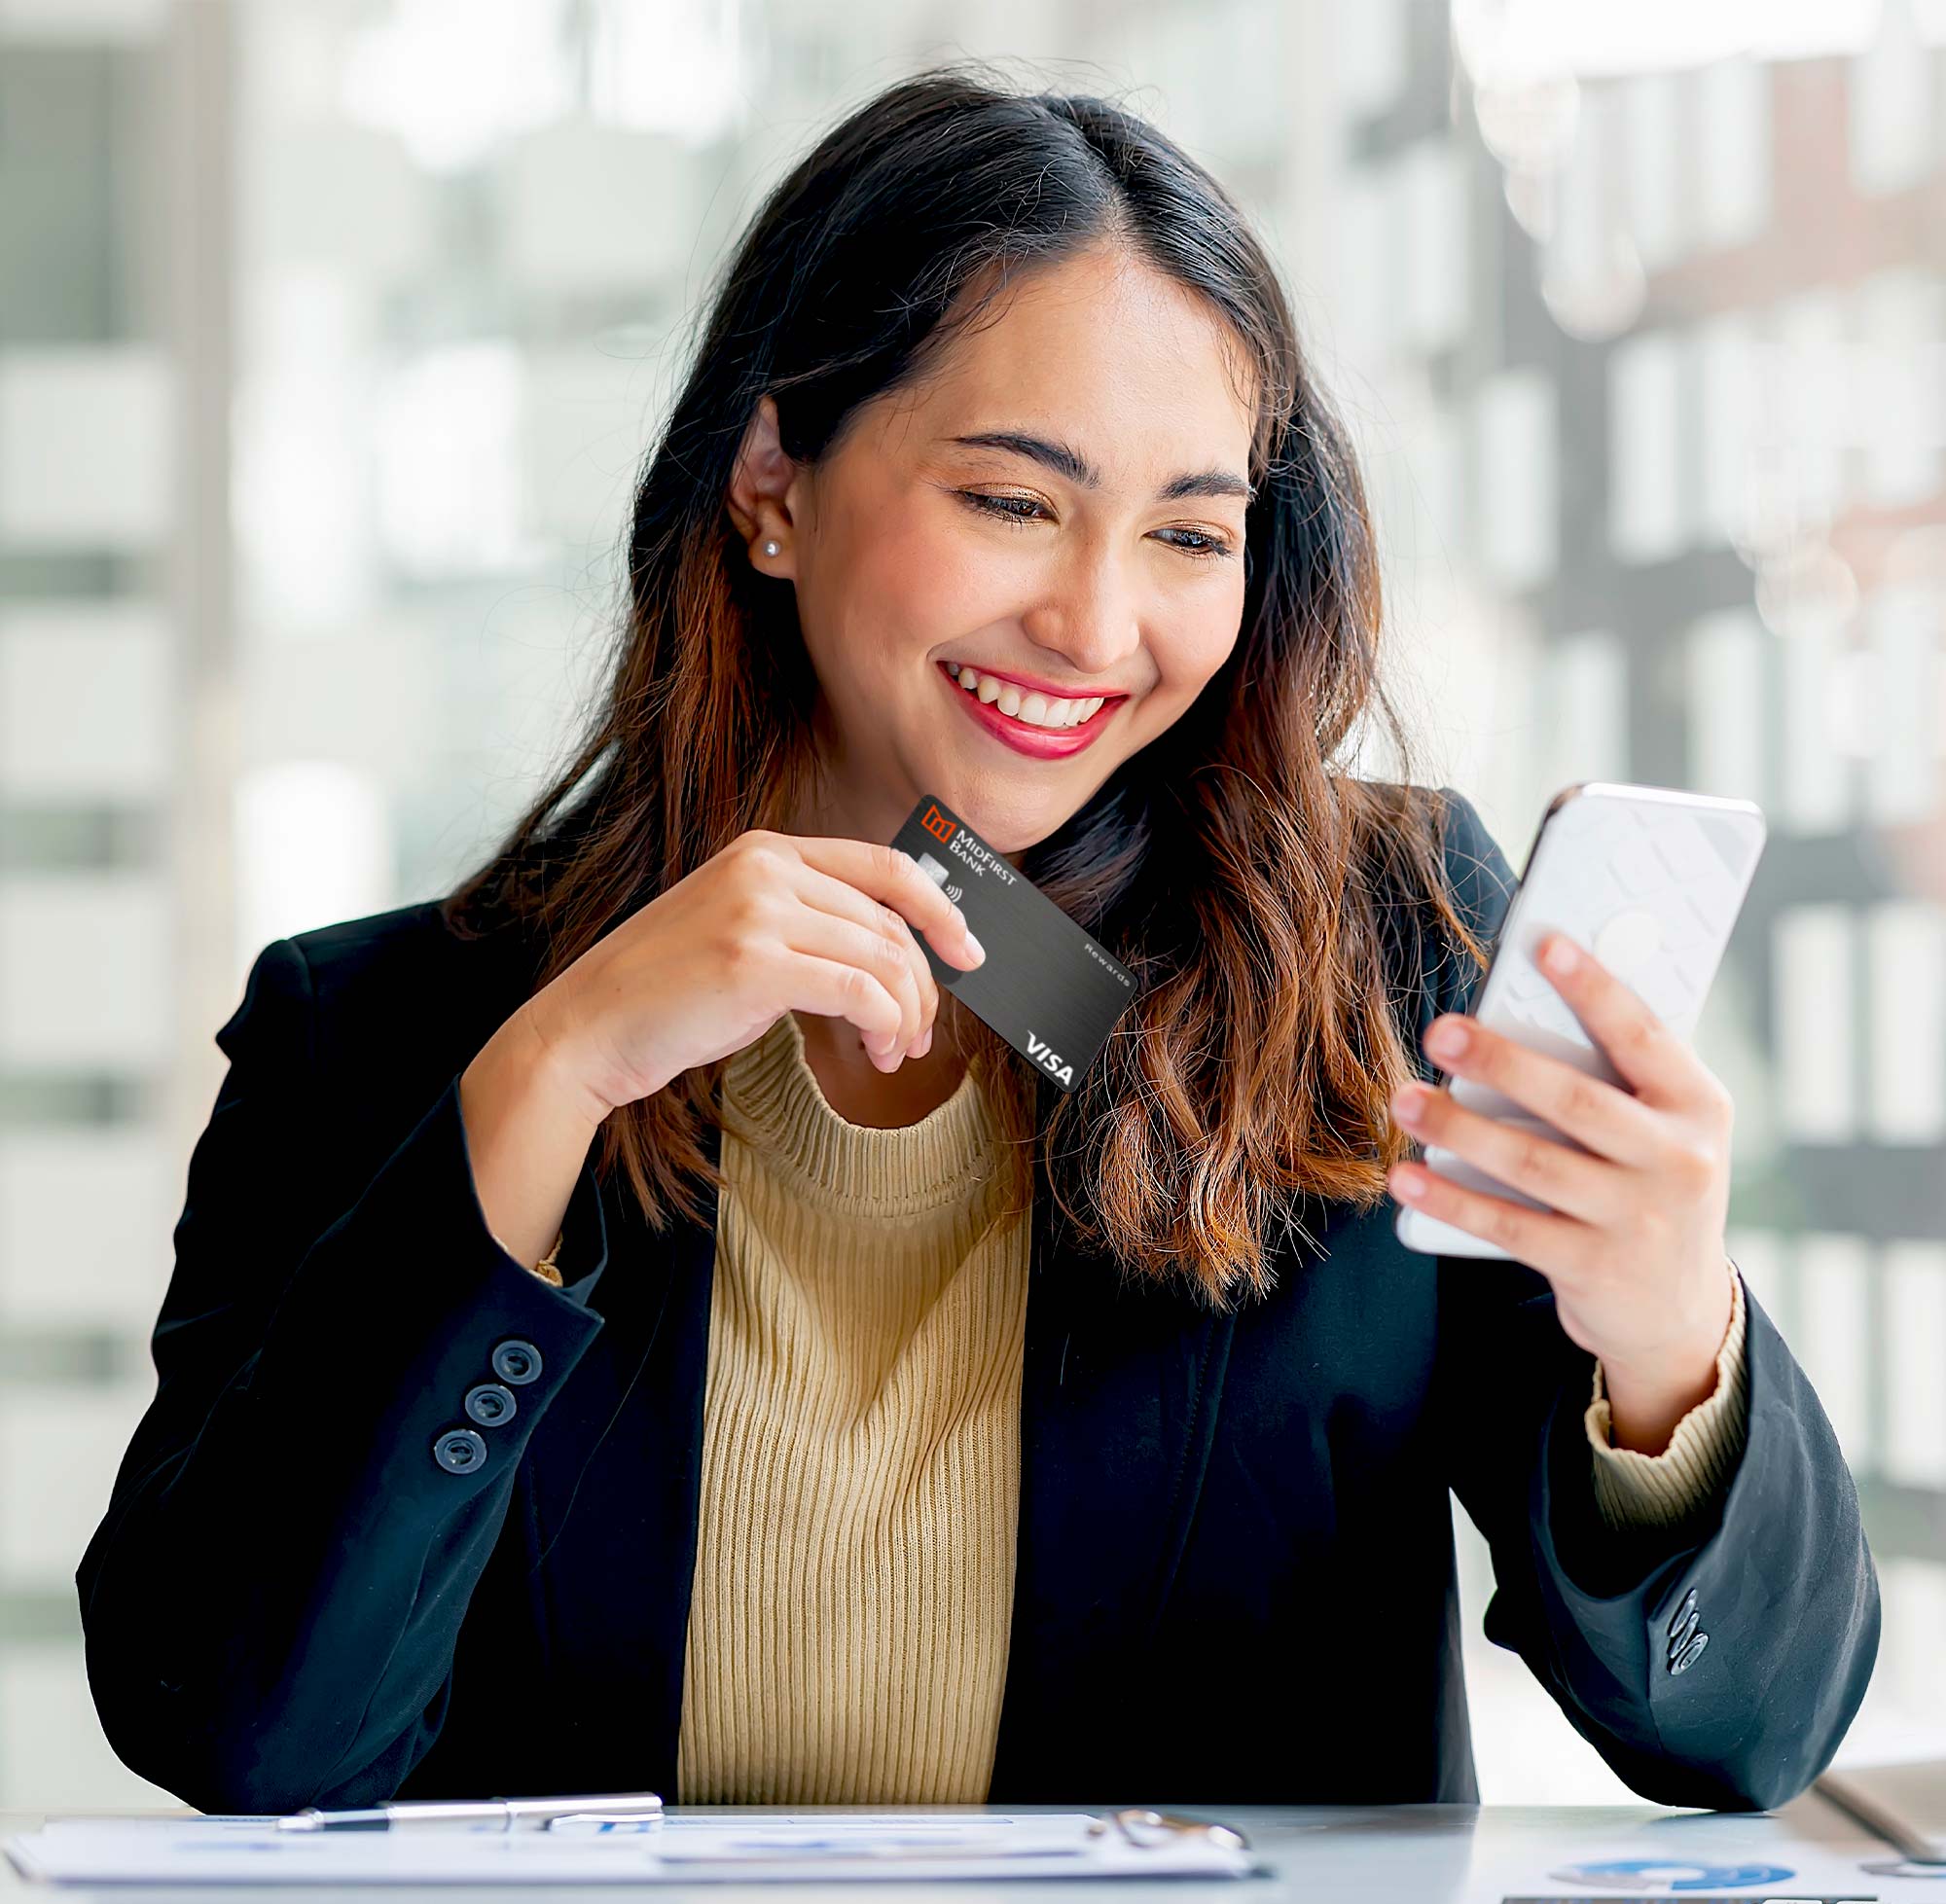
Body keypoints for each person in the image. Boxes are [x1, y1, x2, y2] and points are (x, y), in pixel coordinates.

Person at [78, 68, 1876, 1815]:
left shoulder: (1373, 974)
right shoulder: (381, 1035)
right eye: (1013, 501)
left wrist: (1667, 1341)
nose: (1099, 623)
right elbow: (240, 1732)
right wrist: (552, 1078)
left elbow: (1748, 1734)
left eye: (1189, 530)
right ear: (773, 477)